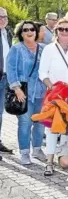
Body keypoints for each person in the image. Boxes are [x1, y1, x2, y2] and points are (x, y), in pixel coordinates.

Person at [38, 18, 68, 176]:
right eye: (61, 29)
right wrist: (51, 86)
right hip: (54, 94)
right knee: (52, 128)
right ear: (56, 31)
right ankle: (49, 162)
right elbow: (42, 72)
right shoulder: (49, 49)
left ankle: (64, 155)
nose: (64, 32)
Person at [6, 21, 46, 164]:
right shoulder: (17, 49)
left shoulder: (43, 48)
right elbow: (11, 70)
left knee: (40, 123)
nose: (29, 32)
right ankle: (24, 152)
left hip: (41, 92)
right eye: (25, 30)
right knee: (25, 123)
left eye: (32, 29)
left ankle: (37, 149)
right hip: (24, 92)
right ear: (21, 33)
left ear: (36, 32)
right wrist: (16, 89)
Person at [0, 7, 13, 154]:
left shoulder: (7, 33)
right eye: (0, 16)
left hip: (5, 78)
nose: (2, 19)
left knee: (0, 113)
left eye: (5, 16)